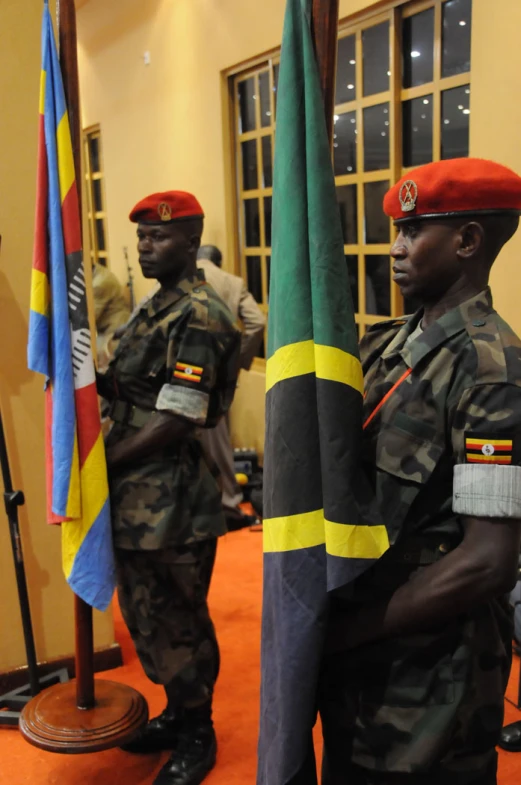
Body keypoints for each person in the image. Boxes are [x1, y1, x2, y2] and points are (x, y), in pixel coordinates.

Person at [319, 158, 521, 785]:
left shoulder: (493, 370)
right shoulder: (386, 344)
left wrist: (352, 632)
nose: (396, 248)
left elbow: (488, 560)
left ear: (466, 242)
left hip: (432, 683)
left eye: (413, 233)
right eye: (398, 231)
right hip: (364, 658)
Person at [96, 191, 241, 785]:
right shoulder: (156, 306)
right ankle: (175, 712)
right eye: (140, 241)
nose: (144, 249)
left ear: (190, 239)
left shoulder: (200, 314)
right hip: (136, 493)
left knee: (178, 616)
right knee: (145, 612)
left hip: (170, 498)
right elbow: (130, 387)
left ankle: (197, 728)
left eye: (156, 238)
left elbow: (179, 417)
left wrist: (106, 463)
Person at [196, 244, 265, 530]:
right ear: (218, 261)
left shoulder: (181, 276)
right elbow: (257, 322)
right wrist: (236, 363)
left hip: (181, 370)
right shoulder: (231, 282)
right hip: (217, 371)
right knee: (218, 437)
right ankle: (229, 502)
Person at [91, 261, 130, 370]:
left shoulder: (100, 283)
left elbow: (89, 319)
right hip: (107, 332)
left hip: (114, 334)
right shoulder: (96, 272)